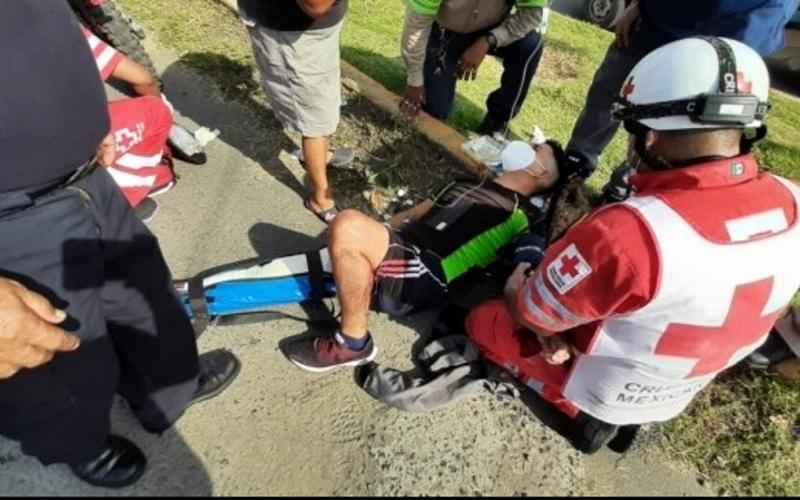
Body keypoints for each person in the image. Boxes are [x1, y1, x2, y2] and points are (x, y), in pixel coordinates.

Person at [465, 37, 800, 453]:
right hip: (683, 385)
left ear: (651, 137)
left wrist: (519, 286)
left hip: (604, 385)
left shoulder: (627, 232)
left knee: (484, 320)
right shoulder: (793, 198)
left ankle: (570, 407)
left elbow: (535, 313)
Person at [0, 1, 239, 488]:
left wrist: (80, 111)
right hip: (11, 215)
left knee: (144, 292)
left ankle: (166, 391)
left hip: (86, 171)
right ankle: (80, 442)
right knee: (58, 354)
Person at [283, 140, 563, 372]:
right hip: (401, 247)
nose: (527, 145)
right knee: (345, 232)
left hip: (426, 274)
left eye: (537, 149)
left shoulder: (524, 217)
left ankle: (353, 343)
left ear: (542, 174)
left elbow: (529, 262)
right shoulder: (466, 181)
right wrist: (366, 238)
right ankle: (357, 271)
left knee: (346, 224)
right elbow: (414, 213)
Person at [563, 0, 798, 184]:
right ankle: (576, 164)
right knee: (609, 93)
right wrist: (638, 5)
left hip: (717, 46)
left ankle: (628, 183)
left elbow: (774, 11)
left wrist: (724, 54)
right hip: (652, 25)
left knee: (672, 127)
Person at [238, 0, 355, 224]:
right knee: (313, 119)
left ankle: (322, 156)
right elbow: (316, 5)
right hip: (291, 35)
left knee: (320, 104)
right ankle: (320, 198)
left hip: (309, 31)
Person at [399, 0, 550, 136]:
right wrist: (415, 79)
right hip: (443, 31)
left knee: (531, 44)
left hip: (489, 31)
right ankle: (430, 70)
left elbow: (531, 14)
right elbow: (416, 27)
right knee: (435, 111)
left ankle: (497, 120)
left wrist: (490, 40)